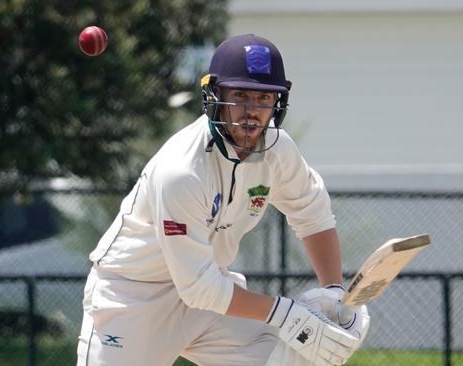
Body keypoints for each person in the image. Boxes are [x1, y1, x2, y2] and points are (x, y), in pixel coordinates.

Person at [77, 34, 370, 366]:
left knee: (291, 358)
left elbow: (313, 215)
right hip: (135, 297)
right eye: (240, 95)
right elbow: (199, 287)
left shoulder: (278, 150)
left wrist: (333, 291)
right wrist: (287, 314)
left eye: (263, 98)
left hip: (210, 301)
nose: (251, 111)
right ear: (214, 96)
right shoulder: (181, 171)